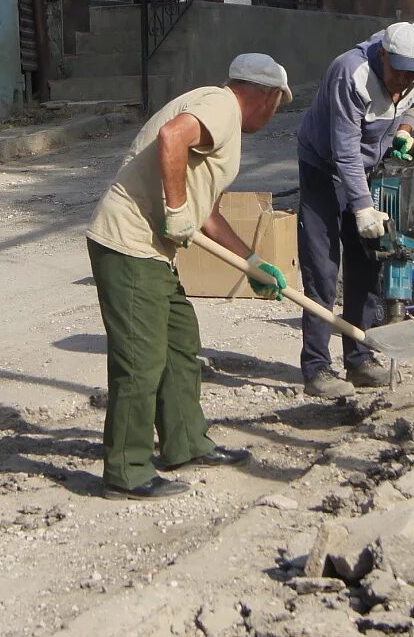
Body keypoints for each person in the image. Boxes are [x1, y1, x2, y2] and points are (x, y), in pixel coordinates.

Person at [84, 54, 293, 500]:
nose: (274, 114)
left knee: (180, 341)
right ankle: (127, 469)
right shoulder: (221, 106)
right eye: (277, 104)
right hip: (129, 245)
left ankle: (185, 443)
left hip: (153, 253)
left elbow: (207, 213)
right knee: (141, 360)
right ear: (267, 96)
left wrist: (251, 261)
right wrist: (177, 210)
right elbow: (171, 137)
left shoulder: (219, 116)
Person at [294, 22, 414, 399]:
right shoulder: (349, 72)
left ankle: (358, 360)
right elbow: (344, 150)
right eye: (397, 73)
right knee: (322, 270)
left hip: (369, 169)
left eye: (412, 76)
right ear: (384, 55)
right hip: (324, 166)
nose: (403, 83)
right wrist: (362, 208)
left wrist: (404, 128)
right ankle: (316, 367)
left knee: (368, 263)